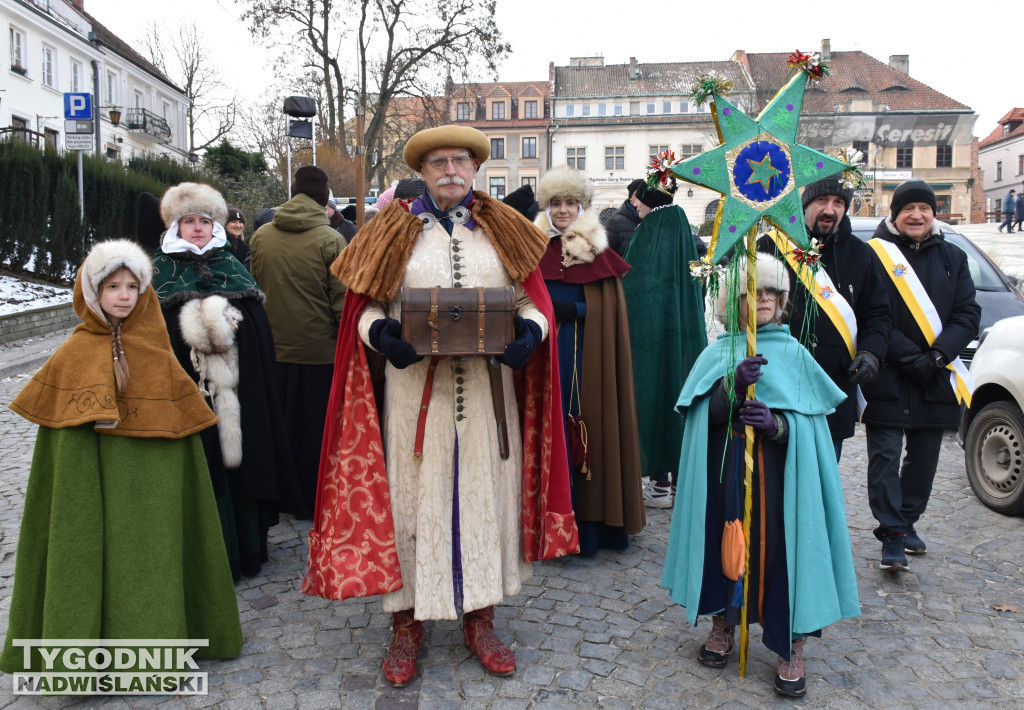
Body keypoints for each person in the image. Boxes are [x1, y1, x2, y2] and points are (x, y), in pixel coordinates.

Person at [303, 125, 578, 687]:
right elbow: (364, 307)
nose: (450, 170)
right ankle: (406, 625)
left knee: (485, 502)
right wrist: (381, 335)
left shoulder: (505, 229)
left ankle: (481, 619)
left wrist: (529, 334)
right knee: (411, 503)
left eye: (460, 161)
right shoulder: (391, 230)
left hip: (487, 399)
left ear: (476, 169)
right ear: (423, 172)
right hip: (412, 401)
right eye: (438, 163)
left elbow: (536, 303)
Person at [1, 239, 242, 673]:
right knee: (83, 555)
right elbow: (60, 449)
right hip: (88, 486)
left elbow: (182, 430)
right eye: (113, 286)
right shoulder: (73, 353)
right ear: (94, 292)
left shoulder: (159, 354)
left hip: (151, 486)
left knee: (152, 553)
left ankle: (157, 649)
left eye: (133, 286)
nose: (124, 295)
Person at [662, 253, 859, 699]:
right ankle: (724, 623)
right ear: (734, 302)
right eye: (753, 291)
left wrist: (779, 426)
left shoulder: (797, 355)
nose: (763, 298)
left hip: (781, 480)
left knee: (781, 552)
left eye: (771, 291)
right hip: (728, 471)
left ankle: (792, 641)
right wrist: (729, 384)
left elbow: (813, 428)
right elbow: (698, 418)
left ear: (783, 299)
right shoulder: (719, 352)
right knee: (726, 541)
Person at [153, 182, 301, 580]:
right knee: (199, 467)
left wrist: (237, 340)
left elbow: (257, 332)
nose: (198, 228)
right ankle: (202, 554)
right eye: (189, 221)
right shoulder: (158, 272)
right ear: (175, 226)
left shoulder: (232, 267)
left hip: (240, 390)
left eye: (205, 220)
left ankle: (246, 548)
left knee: (240, 464)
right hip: (186, 391)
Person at [861, 178, 981, 570]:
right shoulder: (874, 256)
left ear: (933, 214)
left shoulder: (954, 258)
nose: (917, 215)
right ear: (895, 214)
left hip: (936, 375)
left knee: (925, 458)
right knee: (885, 456)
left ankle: (908, 521)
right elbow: (868, 314)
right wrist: (910, 356)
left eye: (924, 208)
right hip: (890, 372)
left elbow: (967, 315)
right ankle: (891, 533)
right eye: (908, 208)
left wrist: (936, 357)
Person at [534, 166, 645, 555]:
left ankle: (594, 529)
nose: (563, 210)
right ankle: (548, 526)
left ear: (582, 206)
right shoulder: (534, 249)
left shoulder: (599, 251)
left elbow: (610, 310)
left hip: (591, 365)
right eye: (556, 203)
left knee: (593, 436)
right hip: (544, 363)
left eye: (570, 203)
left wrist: (577, 310)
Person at [758, 176, 892, 460]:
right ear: (805, 203)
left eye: (839, 202)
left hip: (833, 389)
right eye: (822, 200)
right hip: (777, 387)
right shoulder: (769, 247)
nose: (830, 210)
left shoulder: (860, 254)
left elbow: (877, 314)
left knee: (821, 482)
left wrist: (871, 352)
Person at [250, 166, 348, 516]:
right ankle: (311, 497)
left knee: (278, 426)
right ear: (324, 201)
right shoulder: (331, 240)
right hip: (318, 352)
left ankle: (277, 496)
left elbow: (256, 286)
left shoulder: (261, 235)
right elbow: (341, 303)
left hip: (273, 349)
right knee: (313, 432)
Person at [622, 181, 708, 509]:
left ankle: (659, 484)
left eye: (637, 200)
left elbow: (631, 284)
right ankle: (680, 481)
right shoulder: (682, 226)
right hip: (684, 337)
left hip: (649, 338)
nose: (634, 206)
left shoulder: (649, 231)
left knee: (653, 396)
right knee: (681, 392)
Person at [604, 178, 645, 256]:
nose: (642, 197)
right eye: (638, 193)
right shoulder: (614, 223)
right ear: (631, 198)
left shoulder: (652, 221)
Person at [224, 204, 251, 270]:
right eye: (234, 222)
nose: (238, 225)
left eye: (240, 222)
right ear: (225, 224)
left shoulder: (245, 248)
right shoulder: (220, 246)